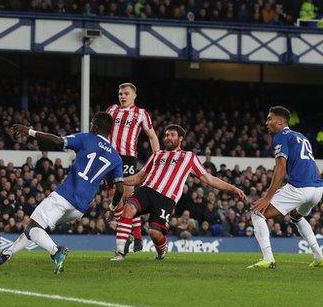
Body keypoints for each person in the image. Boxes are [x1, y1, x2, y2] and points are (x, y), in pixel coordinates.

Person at [0, 112, 124, 274]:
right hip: (80, 208)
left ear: (95, 126)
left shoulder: (87, 138)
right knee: (35, 227)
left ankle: (56, 251)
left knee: (34, 228)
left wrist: (30, 132)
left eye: (91, 124)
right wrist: (111, 207)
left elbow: (57, 140)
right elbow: (120, 189)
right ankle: (7, 253)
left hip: (66, 195)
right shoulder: (116, 158)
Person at [112, 124, 245, 261]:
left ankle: (162, 250)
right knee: (128, 208)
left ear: (180, 138)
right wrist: (118, 179)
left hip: (166, 198)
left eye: (172, 135)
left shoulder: (188, 157)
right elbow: (138, 178)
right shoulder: (157, 155)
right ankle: (120, 252)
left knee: (154, 233)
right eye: (166, 135)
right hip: (146, 190)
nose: (168, 138)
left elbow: (209, 179)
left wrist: (233, 188)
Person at [248, 106, 323, 268]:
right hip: (317, 189)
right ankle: (319, 256)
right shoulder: (301, 136)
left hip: (299, 188)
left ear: (281, 121)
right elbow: (313, 164)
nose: (266, 122)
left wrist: (268, 197)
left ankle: (268, 259)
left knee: (257, 213)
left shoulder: (280, 136)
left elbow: (280, 168)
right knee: (296, 216)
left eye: (270, 118)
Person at [106, 82, 160, 252]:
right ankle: (132, 236)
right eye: (120, 93)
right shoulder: (112, 110)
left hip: (128, 158)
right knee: (115, 196)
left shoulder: (141, 114)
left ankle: (135, 236)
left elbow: (152, 136)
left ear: (134, 96)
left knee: (129, 198)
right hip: (110, 157)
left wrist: (157, 158)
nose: (122, 96)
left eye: (126, 93)